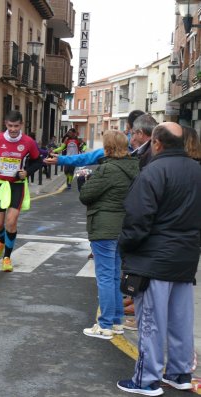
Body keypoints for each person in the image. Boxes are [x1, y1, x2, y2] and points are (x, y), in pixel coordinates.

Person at [116, 122, 201, 396]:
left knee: (150, 322)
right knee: (180, 320)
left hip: (154, 260)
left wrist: (125, 250)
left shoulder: (153, 171)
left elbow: (137, 220)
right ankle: (180, 373)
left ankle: (146, 379)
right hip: (185, 259)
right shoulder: (197, 171)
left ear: (156, 143)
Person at [78, 130, 139, 340]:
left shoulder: (107, 169)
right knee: (114, 276)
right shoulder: (134, 167)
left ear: (108, 147)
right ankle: (116, 322)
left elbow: (86, 196)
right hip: (123, 227)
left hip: (104, 228)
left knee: (105, 277)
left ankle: (104, 325)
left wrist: (84, 180)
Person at [0, 110, 43, 271]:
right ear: (5, 124)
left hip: (17, 185)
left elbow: (38, 161)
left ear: (21, 125)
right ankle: (2, 240)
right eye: (10, 126)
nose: (13, 129)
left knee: (11, 222)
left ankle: (7, 257)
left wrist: (27, 172)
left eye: (16, 126)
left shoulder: (28, 142)